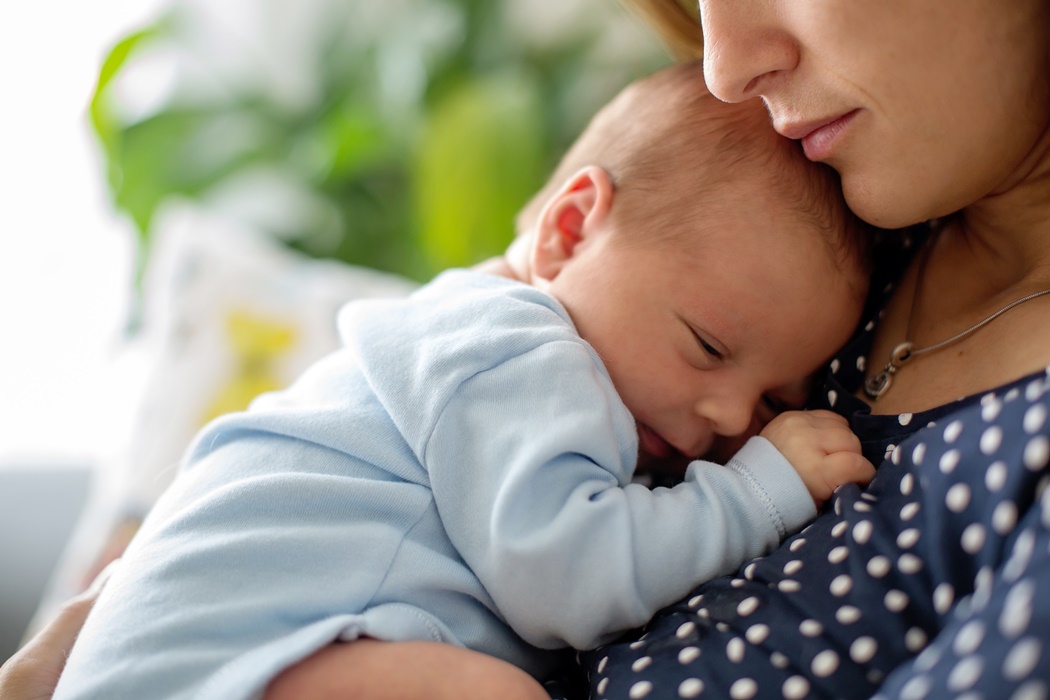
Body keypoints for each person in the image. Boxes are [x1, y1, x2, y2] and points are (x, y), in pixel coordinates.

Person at [48, 62, 874, 700]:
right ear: (571, 229)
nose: (731, 418)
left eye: (773, 402)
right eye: (705, 345)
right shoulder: (515, 347)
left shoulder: (475, 339)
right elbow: (572, 579)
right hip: (223, 667)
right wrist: (757, 493)